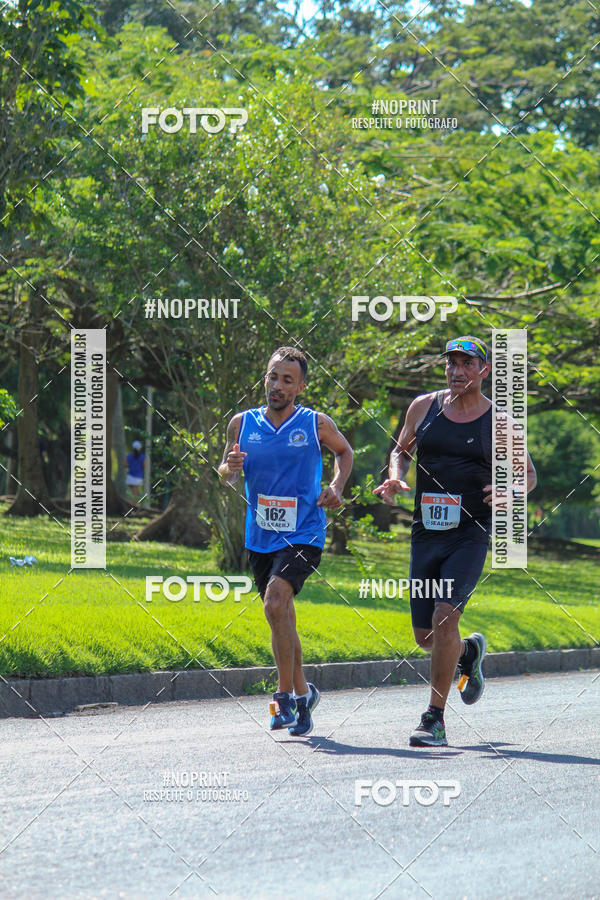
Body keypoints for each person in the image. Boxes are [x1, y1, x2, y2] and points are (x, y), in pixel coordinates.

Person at [374, 336, 536, 747]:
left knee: (445, 617)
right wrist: (395, 474)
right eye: (451, 364)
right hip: (426, 531)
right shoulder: (423, 407)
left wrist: (510, 493)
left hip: (470, 533)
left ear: (484, 370)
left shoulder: (499, 421)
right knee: (426, 637)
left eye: (467, 364)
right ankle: (468, 653)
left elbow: (528, 475)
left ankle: (434, 719)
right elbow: (401, 449)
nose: (457, 371)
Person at [218, 347, 353, 736]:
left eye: (287, 380)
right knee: (282, 615)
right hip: (260, 535)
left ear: (300, 387)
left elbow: (345, 453)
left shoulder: (315, 423)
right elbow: (224, 473)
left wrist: (336, 486)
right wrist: (230, 467)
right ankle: (302, 693)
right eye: (273, 377)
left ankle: (283, 700)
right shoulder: (241, 423)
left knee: (275, 601)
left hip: (304, 531)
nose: (277, 386)